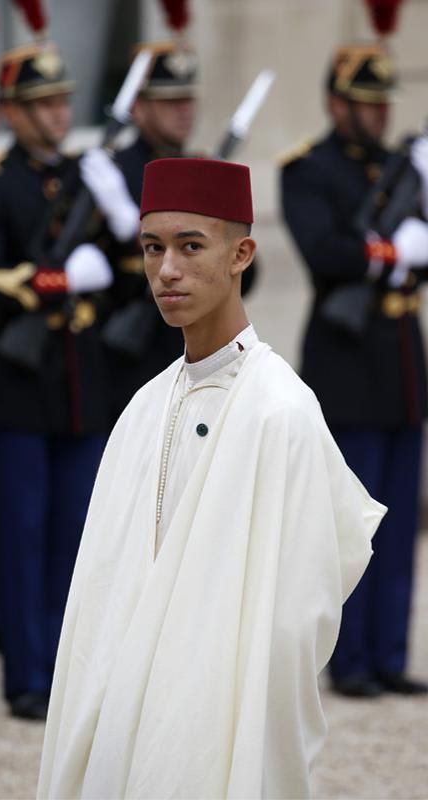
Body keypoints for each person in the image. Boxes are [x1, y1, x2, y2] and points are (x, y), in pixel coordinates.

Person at [37, 157, 386, 800]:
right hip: (121, 721)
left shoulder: (280, 411)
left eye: (191, 246)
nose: (167, 270)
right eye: (152, 247)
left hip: (212, 729)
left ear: (240, 254)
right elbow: (101, 594)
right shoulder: (142, 408)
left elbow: (294, 623)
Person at [0, 42, 139, 719]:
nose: (59, 115)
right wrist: (61, 278)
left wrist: (126, 223)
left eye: (64, 102)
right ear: (11, 111)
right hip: (18, 384)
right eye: (43, 105)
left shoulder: (88, 175)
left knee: (82, 539)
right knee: (23, 538)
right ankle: (30, 678)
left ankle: (78, 673)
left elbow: (132, 276)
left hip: (80, 386)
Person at [280, 43, 428, 697]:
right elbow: (326, 250)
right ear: (336, 103)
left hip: (400, 356)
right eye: (366, 103)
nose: (378, 113)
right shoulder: (309, 170)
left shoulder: (405, 167)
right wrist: (390, 248)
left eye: (383, 102)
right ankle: (351, 658)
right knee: (352, 525)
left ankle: (390, 656)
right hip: (347, 360)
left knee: (398, 523)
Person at [84, 41, 256, 419]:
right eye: (168, 102)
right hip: (128, 350)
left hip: (193, 347)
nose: (183, 112)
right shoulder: (112, 172)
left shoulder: (203, 167)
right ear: (138, 107)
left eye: (187, 100)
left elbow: (248, 271)